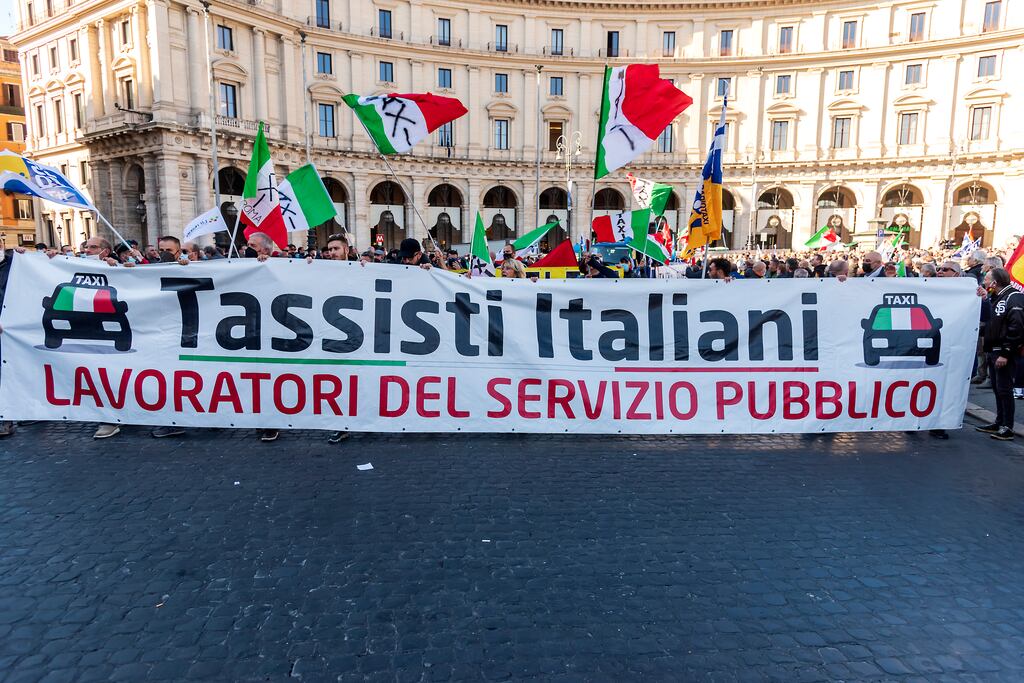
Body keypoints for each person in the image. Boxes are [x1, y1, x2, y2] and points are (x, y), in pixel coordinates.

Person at [977, 268, 1024, 441]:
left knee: (1005, 390)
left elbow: (1017, 328)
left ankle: (1008, 427)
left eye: (987, 279)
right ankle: (999, 421)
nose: (985, 282)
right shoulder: (996, 298)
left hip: (1003, 352)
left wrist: (1005, 352)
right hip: (993, 350)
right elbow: (992, 323)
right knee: (998, 389)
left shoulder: (1014, 297)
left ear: (995, 283)